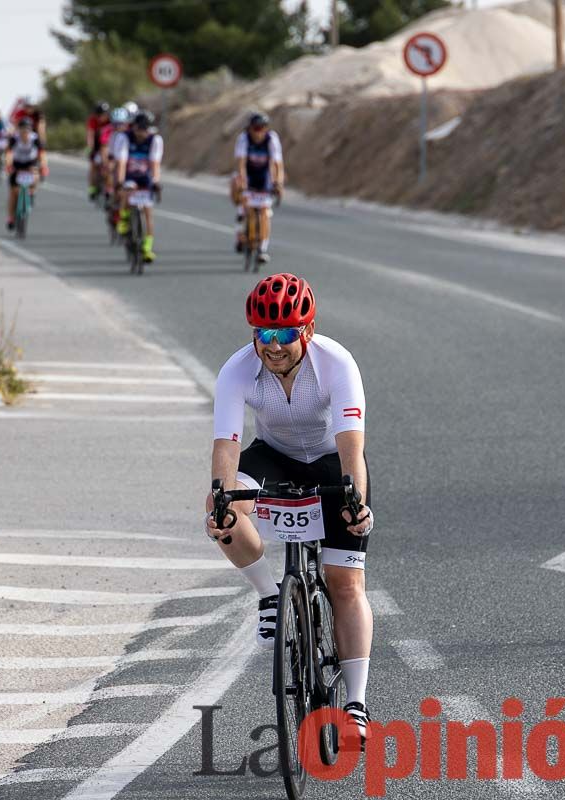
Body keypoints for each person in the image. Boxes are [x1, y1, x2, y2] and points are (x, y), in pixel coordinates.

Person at [206, 273, 375, 740]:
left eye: (284, 334)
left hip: (329, 462)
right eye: (263, 334)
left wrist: (353, 499)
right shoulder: (237, 370)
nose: (273, 345)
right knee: (220, 510)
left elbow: (351, 446)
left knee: (345, 583)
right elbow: (226, 445)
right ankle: (269, 594)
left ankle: (356, 704)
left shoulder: (337, 364)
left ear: (308, 331)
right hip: (274, 457)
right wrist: (222, 499)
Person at [232, 112, 284, 260]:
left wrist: (278, 183)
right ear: (249, 129)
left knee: (265, 213)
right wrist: (242, 183)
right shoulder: (243, 139)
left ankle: (262, 248)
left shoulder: (272, 139)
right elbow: (241, 164)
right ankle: (241, 233)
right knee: (244, 204)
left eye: (262, 128)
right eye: (255, 128)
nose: (259, 132)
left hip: (265, 176)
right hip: (248, 174)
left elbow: (277, 164)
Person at [112, 111, 163, 263]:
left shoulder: (155, 140)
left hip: (145, 176)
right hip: (128, 175)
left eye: (146, 130)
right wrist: (120, 182)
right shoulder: (124, 137)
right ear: (134, 128)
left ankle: (147, 247)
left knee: (148, 212)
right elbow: (121, 162)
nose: (143, 133)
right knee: (127, 193)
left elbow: (155, 164)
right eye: (140, 129)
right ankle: (124, 217)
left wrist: (155, 181)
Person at [4, 117, 47, 231]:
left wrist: (43, 166)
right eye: (22, 129)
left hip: (30, 163)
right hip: (17, 164)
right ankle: (11, 218)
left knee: (36, 175)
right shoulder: (14, 139)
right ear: (19, 130)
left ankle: (32, 193)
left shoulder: (35, 139)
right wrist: (8, 165)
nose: (25, 132)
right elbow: (8, 153)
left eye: (27, 130)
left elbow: (42, 154)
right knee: (13, 193)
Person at [86, 102, 112, 201]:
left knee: (108, 166)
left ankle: (109, 188)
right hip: (97, 144)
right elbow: (90, 135)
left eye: (104, 114)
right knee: (93, 165)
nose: (101, 117)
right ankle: (92, 187)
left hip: (108, 144)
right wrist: (90, 149)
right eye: (99, 115)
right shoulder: (93, 120)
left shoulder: (111, 121)